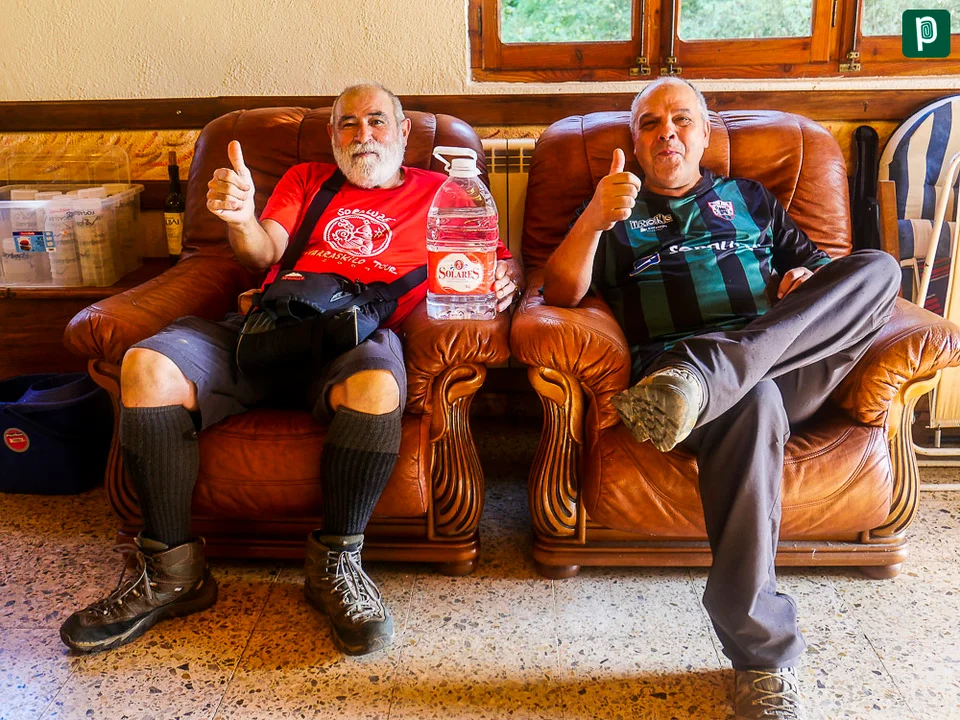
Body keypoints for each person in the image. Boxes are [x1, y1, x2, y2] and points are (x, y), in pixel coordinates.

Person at [60, 83, 522, 657]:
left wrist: (508, 279)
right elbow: (261, 253)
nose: (363, 134)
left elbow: (493, 264)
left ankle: (337, 565)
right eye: (348, 124)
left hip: (357, 336)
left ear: (404, 132)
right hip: (267, 326)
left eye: (377, 121)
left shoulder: (444, 192)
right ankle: (171, 573)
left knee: (378, 386)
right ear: (332, 136)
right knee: (146, 365)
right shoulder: (305, 179)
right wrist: (240, 219)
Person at [542, 77, 900, 720]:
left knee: (878, 269)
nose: (667, 133)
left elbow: (827, 274)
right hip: (674, 382)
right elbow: (561, 294)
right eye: (650, 123)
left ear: (706, 134)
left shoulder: (751, 198)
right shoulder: (615, 211)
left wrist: (804, 279)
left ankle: (715, 373)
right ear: (636, 142)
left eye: (682, 119)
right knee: (753, 401)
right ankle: (762, 659)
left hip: (782, 363)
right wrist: (595, 217)